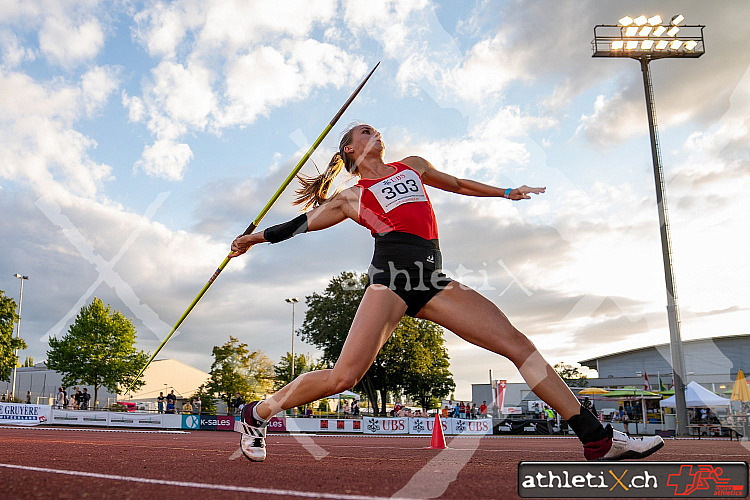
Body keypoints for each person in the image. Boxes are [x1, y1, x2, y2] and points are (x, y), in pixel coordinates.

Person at [230, 123, 663, 462]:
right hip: (391, 279)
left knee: (518, 345)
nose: (375, 132)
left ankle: (596, 439)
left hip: (433, 280)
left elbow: (457, 183)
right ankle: (258, 414)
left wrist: (508, 192)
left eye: (375, 129)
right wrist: (254, 239)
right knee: (346, 377)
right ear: (349, 149)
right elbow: (301, 224)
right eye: (365, 131)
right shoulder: (350, 197)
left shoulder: (412, 165)